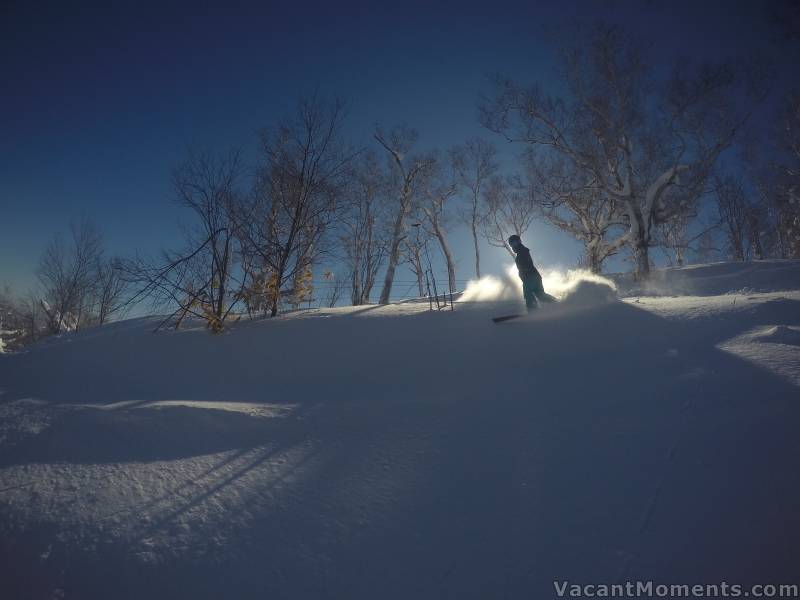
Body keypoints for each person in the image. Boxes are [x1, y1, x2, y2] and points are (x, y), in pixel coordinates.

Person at [508, 235, 556, 311]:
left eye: (515, 243)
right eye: (512, 245)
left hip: (529, 276)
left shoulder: (522, 251)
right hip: (535, 276)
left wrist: (525, 270)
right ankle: (555, 303)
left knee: (528, 293)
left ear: (519, 242)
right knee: (540, 295)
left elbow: (527, 261)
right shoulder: (522, 252)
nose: (513, 246)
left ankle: (532, 308)